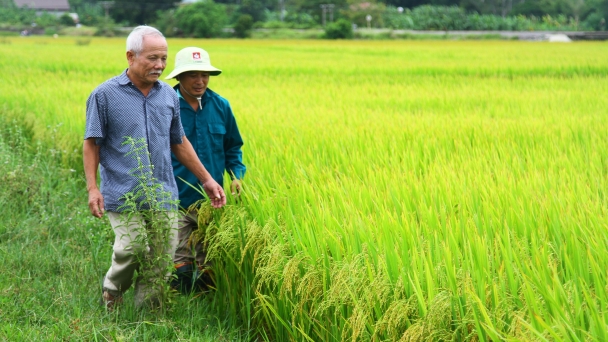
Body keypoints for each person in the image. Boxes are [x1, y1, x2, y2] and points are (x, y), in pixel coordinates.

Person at [83, 26, 226, 310]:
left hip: (162, 191)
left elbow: (179, 141)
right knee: (132, 248)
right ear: (130, 56)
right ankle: (113, 291)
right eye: (152, 58)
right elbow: (92, 143)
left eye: (163, 58)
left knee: (161, 257)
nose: (160, 65)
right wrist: (92, 188)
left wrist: (207, 180)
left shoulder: (168, 96)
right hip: (122, 191)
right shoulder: (104, 95)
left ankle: (147, 315)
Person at [164, 47, 246, 293]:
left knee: (207, 266)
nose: (200, 81)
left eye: (204, 75)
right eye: (192, 75)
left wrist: (236, 176)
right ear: (179, 77)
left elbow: (233, 147)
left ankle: (204, 311)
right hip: (174, 198)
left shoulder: (221, 106)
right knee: (181, 268)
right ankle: (182, 316)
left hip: (211, 201)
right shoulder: (165, 105)